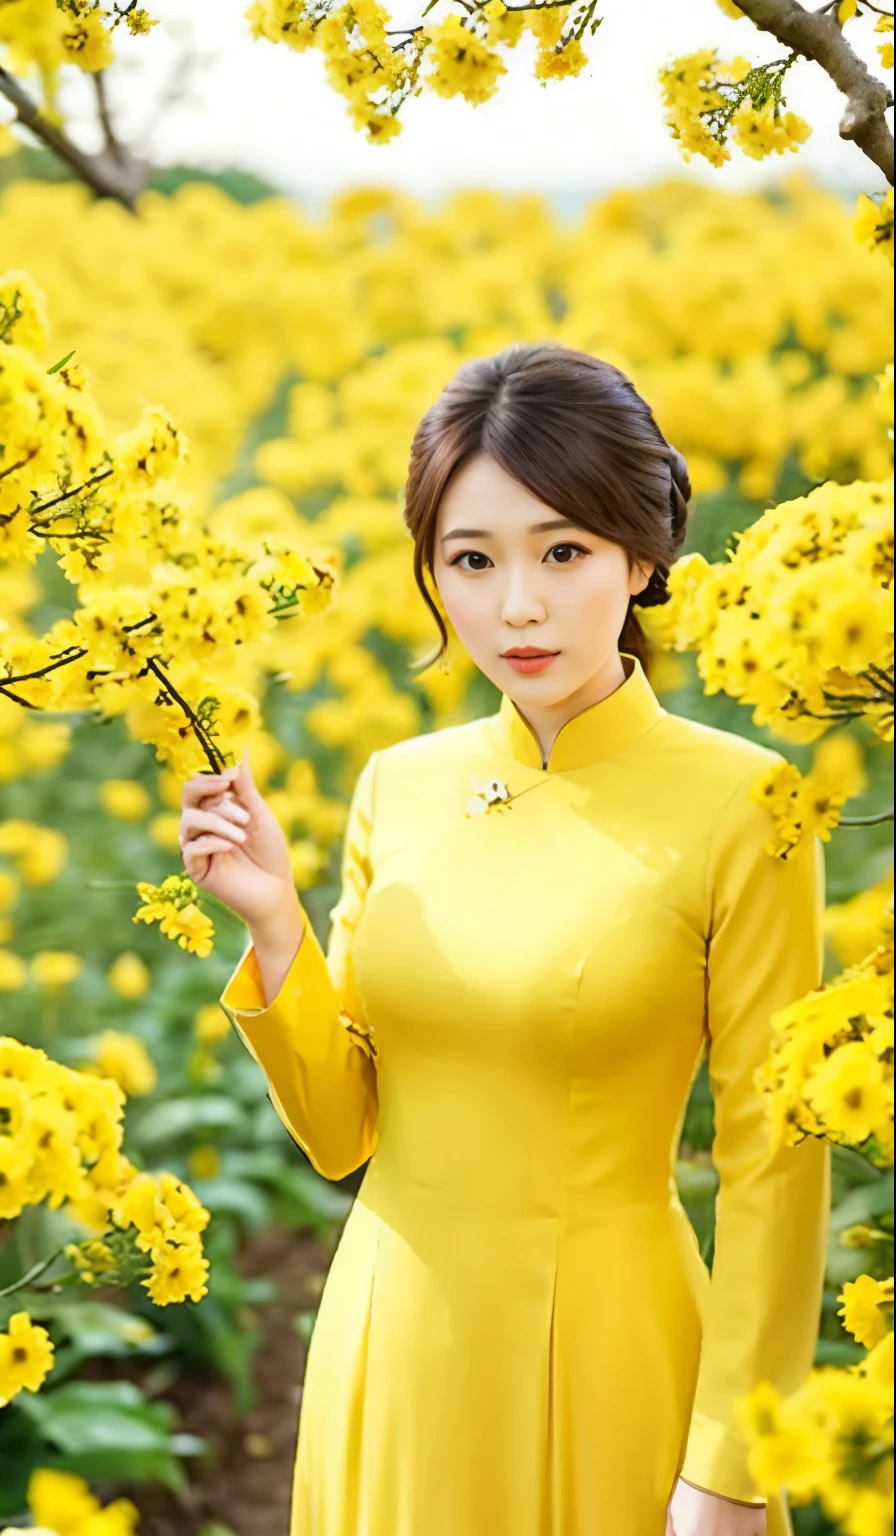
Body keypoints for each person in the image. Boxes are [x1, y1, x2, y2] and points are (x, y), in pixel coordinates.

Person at [179, 342, 830, 1536]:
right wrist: (274, 927)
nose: (515, 606)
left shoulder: (745, 806)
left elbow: (775, 1172)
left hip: (605, 1354)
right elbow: (342, 1132)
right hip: (388, 1340)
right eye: (469, 561)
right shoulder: (397, 785)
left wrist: (730, 1463)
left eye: (562, 552)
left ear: (640, 558)